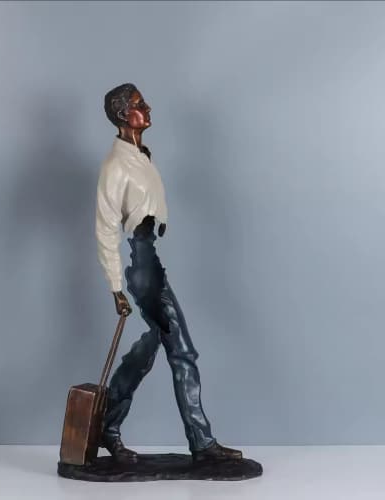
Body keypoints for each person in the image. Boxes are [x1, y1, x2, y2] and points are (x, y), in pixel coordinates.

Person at [95, 83, 243, 464]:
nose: (148, 108)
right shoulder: (116, 166)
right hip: (143, 267)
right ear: (124, 114)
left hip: (150, 260)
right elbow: (106, 227)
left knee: (150, 347)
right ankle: (202, 443)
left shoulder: (140, 156)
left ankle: (107, 426)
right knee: (183, 351)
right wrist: (116, 287)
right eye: (140, 104)